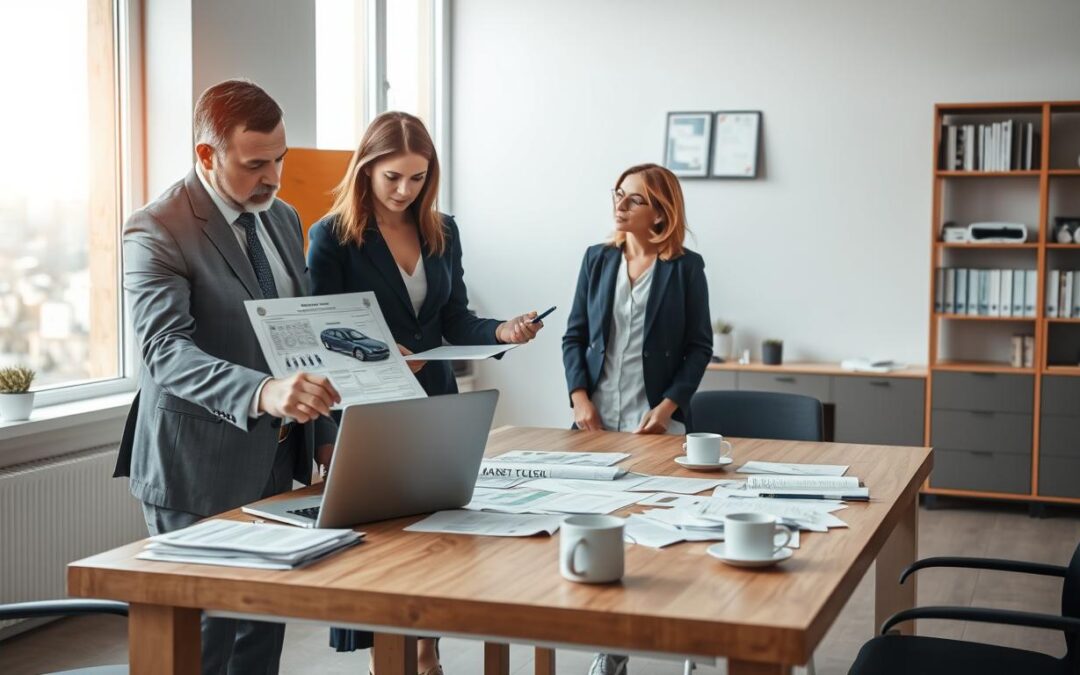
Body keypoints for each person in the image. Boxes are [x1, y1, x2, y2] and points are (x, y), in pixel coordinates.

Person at [114, 79, 340, 675]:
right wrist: (263, 392)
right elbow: (166, 352)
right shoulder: (157, 228)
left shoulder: (285, 218)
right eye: (256, 164)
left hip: (276, 460)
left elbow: (299, 331)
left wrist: (325, 426)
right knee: (204, 645)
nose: (274, 178)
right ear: (207, 155)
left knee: (262, 631)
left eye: (281, 160)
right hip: (196, 467)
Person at [307, 110, 542, 674]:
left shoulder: (443, 230)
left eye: (417, 178)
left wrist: (502, 331)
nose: (404, 190)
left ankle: (429, 655)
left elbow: (455, 320)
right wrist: (387, 363)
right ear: (366, 169)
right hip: (370, 406)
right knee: (380, 543)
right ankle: (387, 662)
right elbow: (322, 331)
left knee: (440, 532)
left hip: (434, 400)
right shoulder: (332, 237)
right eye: (392, 178)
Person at [562, 163, 712, 674]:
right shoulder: (597, 259)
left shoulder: (685, 268)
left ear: (660, 212)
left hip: (658, 424)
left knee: (672, 536)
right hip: (598, 423)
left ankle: (692, 645)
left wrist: (668, 407)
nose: (619, 206)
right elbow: (574, 336)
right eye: (618, 195)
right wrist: (580, 399)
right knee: (610, 536)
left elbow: (699, 347)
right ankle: (612, 652)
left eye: (633, 199)